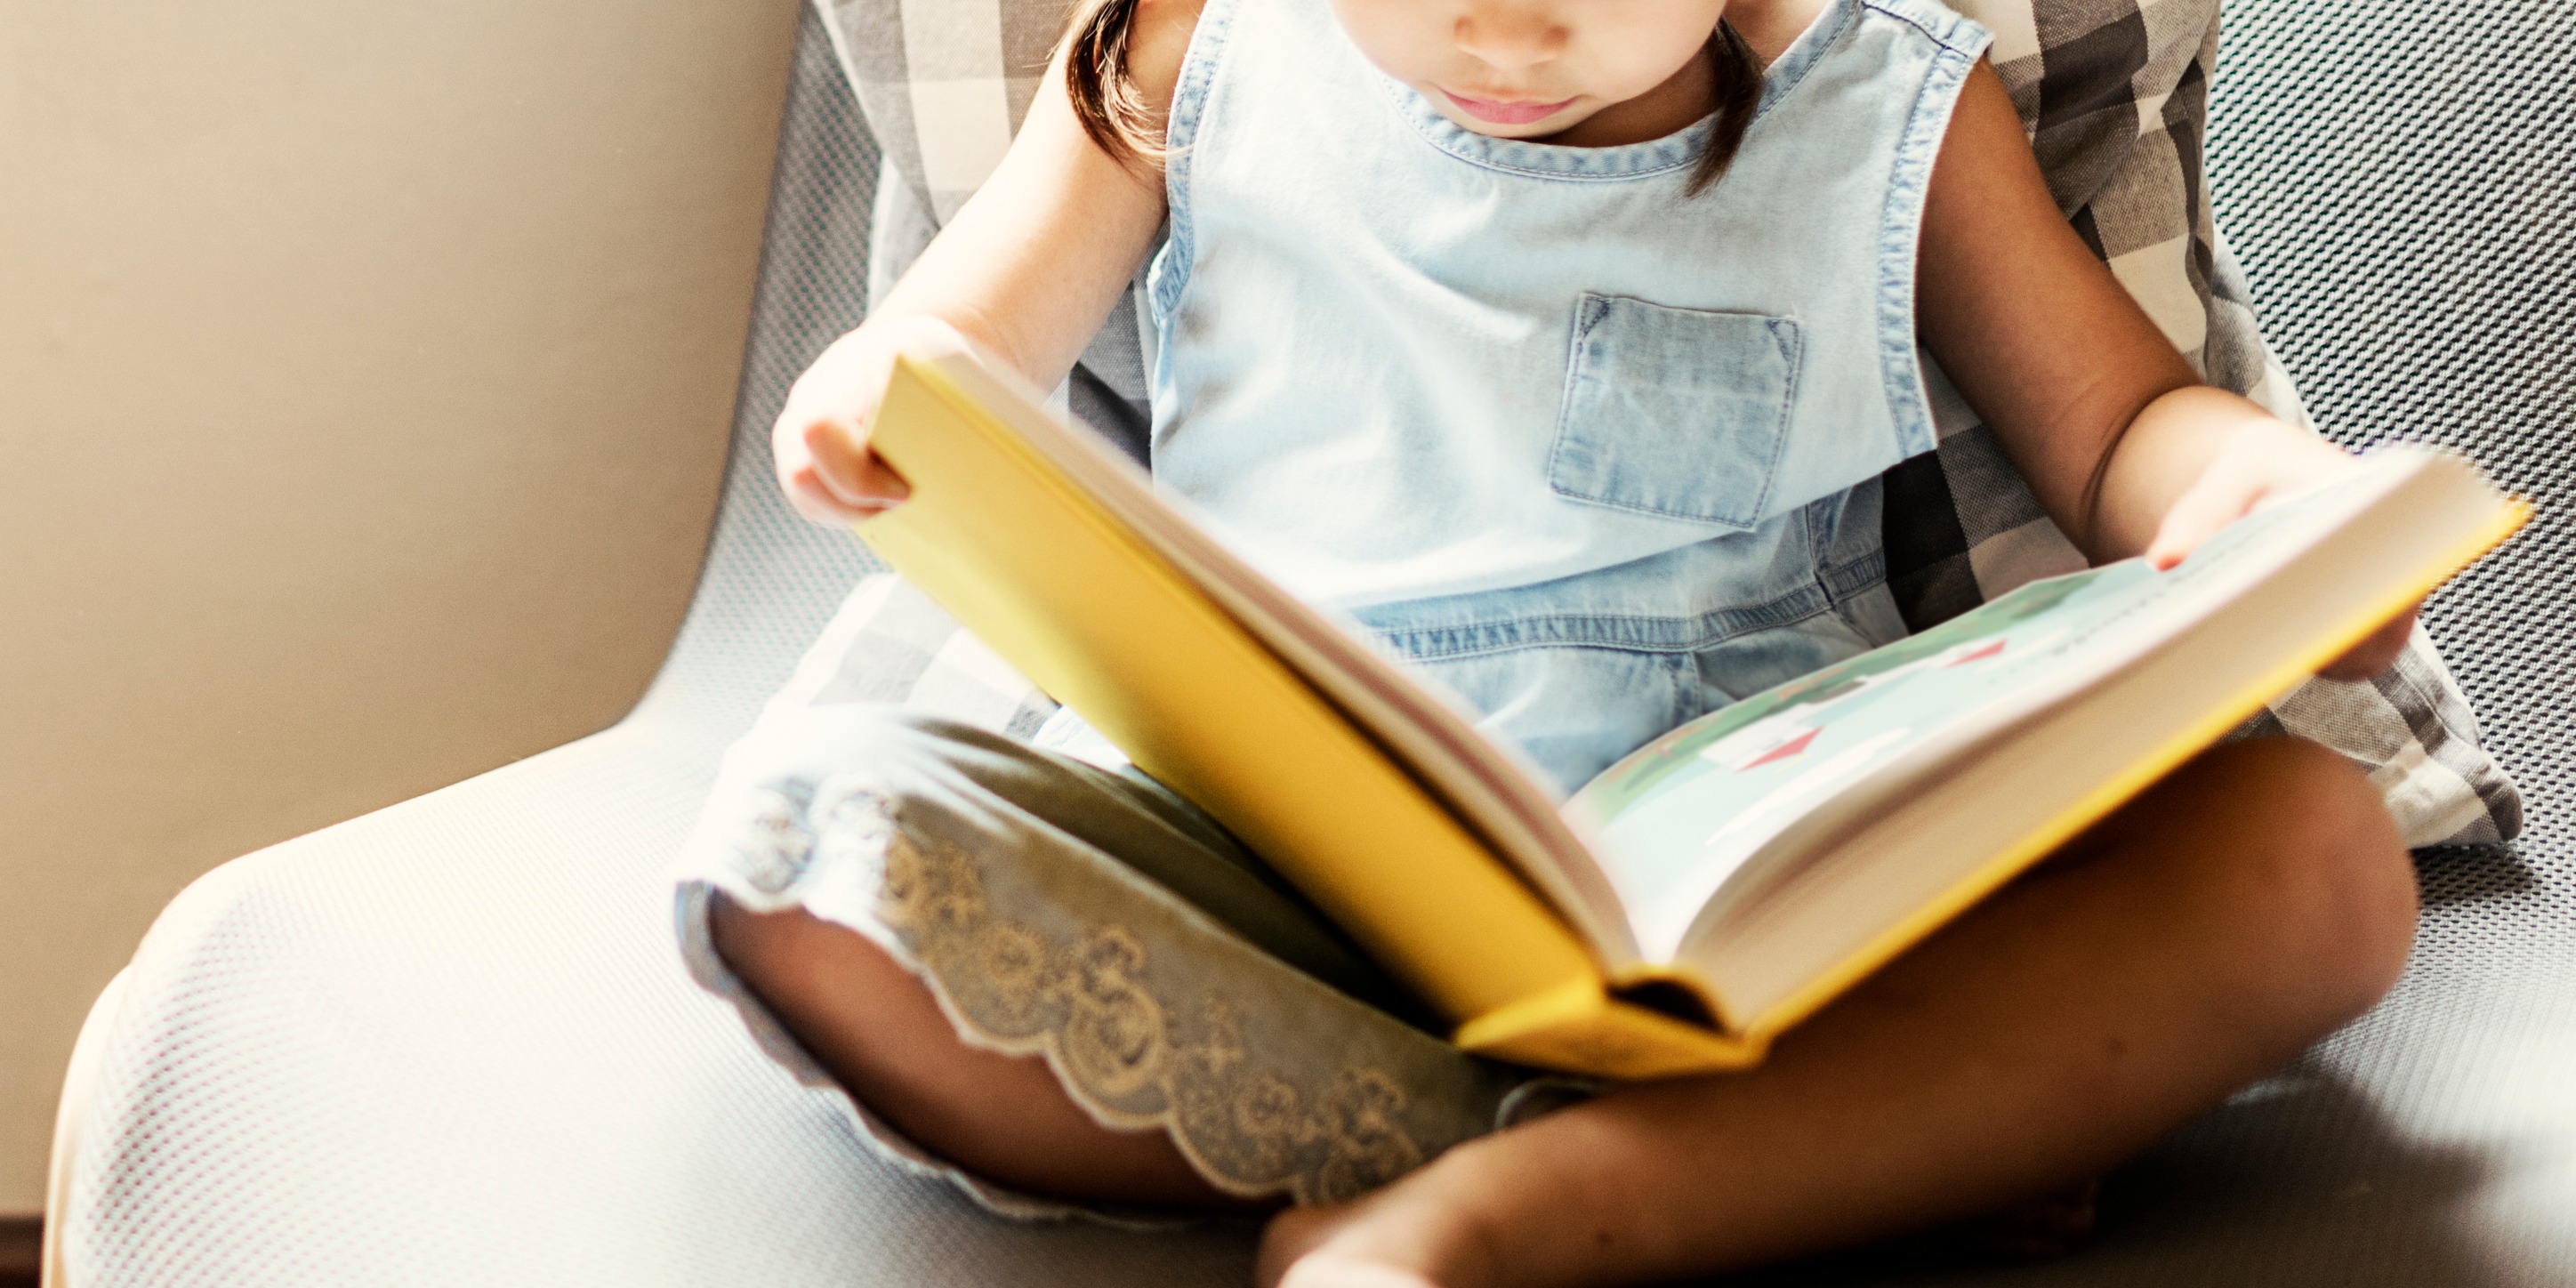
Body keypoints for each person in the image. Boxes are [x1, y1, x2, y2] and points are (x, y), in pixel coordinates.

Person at [684, 0, 2423, 1282]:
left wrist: (2264, 500)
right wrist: (870, 409)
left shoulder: (1889, 103)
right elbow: (950, 348)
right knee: (800, 855)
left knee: (2313, 862)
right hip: (1283, 882)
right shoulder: (1174, 62)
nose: (1500, 25)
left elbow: (2122, 433)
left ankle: (1548, 1208)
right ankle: (1836, 1156)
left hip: (1771, 930)